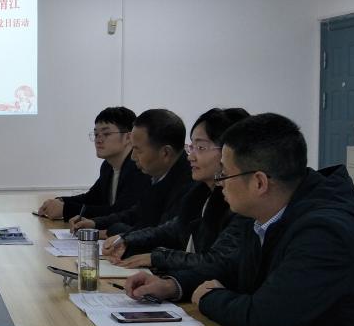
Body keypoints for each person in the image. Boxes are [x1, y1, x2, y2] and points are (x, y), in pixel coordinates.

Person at [126, 113, 354, 326]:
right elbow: (232, 270)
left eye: (225, 174)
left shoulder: (324, 231)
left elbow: (266, 319)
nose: (220, 183)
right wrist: (173, 285)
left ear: (259, 183)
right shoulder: (266, 214)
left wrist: (209, 297)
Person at [102, 107, 249, 272]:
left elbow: (217, 262)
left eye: (201, 148)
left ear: (229, 152)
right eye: (192, 146)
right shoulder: (199, 192)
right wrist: (127, 239)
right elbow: (174, 228)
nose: (190, 156)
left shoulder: (241, 204)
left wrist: (156, 259)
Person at [72, 108, 195, 237]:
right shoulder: (159, 174)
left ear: (165, 153)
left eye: (138, 150)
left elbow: (160, 234)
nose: (133, 157)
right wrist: (95, 223)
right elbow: (137, 213)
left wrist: (112, 232)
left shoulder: (188, 184)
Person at [37, 106, 150, 222]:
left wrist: (66, 209)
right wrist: (60, 201)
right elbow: (91, 198)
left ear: (128, 137)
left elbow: (120, 211)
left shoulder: (139, 167)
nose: (98, 140)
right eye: (96, 134)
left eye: (106, 134)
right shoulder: (107, 166)